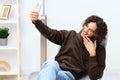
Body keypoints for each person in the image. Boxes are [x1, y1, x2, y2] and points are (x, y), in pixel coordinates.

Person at [30, 11, 108, 80]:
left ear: (96, 34)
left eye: (91, 30)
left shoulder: (99, 50)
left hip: (68, 75)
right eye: (86, 25)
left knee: (52, 74)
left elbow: (95, 77)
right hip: (56, 67)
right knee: (50, 64)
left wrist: (92, 54)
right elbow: (50, 33)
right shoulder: (70, 35)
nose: (86, 30)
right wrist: (36, 21)